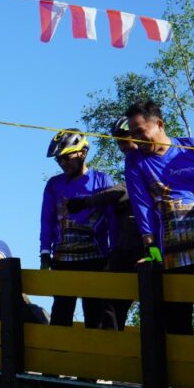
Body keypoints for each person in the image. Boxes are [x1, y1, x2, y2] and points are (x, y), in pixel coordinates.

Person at [124, 100, 194, 334]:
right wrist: (151, 250)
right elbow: (141, 206)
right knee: (176, 323)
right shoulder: (135, 160)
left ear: (158, 124)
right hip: (171, 253)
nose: (135, 139)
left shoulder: (192, 148)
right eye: (132, 133)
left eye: (140, 131)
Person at [65, 116, 142, 329]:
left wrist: (88, 201)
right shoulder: (131, 161)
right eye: (118, 143)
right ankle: (109, 352)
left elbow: (127, 190)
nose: (122, 147)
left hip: (153, 244)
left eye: (124, 141)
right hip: (124, 246)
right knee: (112, 305)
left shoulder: (150, 159)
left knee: (159, 301)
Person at [40, 129, 116, 329]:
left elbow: (112, 219)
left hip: (96, 258)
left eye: (67, 157)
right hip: (63, 258)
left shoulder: (102, 180)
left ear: (82, 153)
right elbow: (46, 219)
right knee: (60, 316)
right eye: (59, 160)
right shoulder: (54, 185)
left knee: (97, 317)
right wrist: (45, 252)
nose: (63, 163)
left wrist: (114, 252)